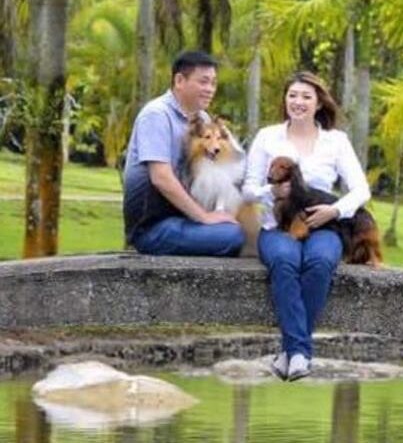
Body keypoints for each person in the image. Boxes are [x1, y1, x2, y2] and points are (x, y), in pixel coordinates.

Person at [243, 71, 371, 381]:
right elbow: (248, 189)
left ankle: (290, 352)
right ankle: (300, 353)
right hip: (278, 226)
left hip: (325, 226)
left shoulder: (336, 141)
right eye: (292, 95)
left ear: (318, 103)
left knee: (320, 261)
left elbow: (361, 190)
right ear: (285, 100)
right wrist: (271, 192)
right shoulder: (267, 137)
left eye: (306, 96)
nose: (298, 102)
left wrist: (334, 210)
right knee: (285, 261)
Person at [123, 51, 244, 256]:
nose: (210, 89)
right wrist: (204, 217)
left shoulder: (203, 119)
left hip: (185, 219)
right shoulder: (156, 115)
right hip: (154, 228)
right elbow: (161, 177)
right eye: (203, 82)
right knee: (236, 237)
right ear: (179, 80)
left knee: (249, 231)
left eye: (213, 83)